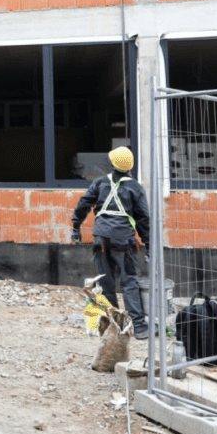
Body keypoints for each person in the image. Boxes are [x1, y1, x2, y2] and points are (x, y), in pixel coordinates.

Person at [71, 146, 151, 340]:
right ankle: (139, 327)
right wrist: (149, 245)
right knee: (129, 281)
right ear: (130, 166)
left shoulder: (99, 183)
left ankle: (113, 326)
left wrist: (76, 227)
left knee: (106, 282)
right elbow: (143, 219)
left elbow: (83, 205)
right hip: (122, 239)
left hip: (101, 237)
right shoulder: (135, 188)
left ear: (112, 164)